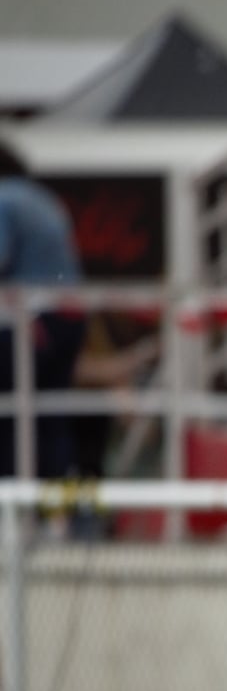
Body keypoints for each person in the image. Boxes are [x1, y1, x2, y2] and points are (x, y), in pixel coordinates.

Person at [0, 141, 94, 480]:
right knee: (50, 416)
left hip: (33, 320)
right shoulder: (44, 199)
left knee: (12, 414)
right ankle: (56, 514)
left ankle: (14, 506)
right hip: (68, 317)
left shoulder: (5, 198)